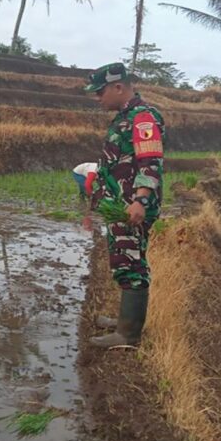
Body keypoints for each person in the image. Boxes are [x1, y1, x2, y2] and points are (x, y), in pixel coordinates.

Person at [84, 63, 165, 348]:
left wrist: (140, 200)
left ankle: (128, 335)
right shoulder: (125, 116)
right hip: (120, 204)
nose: (97, 98)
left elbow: (150, 161)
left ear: (119, 87)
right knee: (123, 260)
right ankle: (123, 322)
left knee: (130, 264)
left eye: (100, 91)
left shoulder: (143, 118)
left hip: (131, 207)